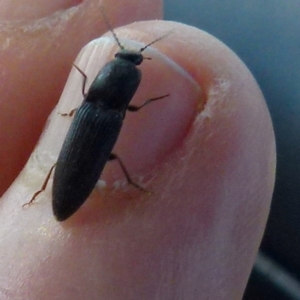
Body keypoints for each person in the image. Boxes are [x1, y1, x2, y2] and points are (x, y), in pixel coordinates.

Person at [0, 1, 275, 299]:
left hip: (87, 127)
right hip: (97, 137)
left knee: (57, 163)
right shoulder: (120, 101)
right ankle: (118, 184)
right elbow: (135, 104)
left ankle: (43, 194)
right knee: (77, 162)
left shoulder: (88, 101)